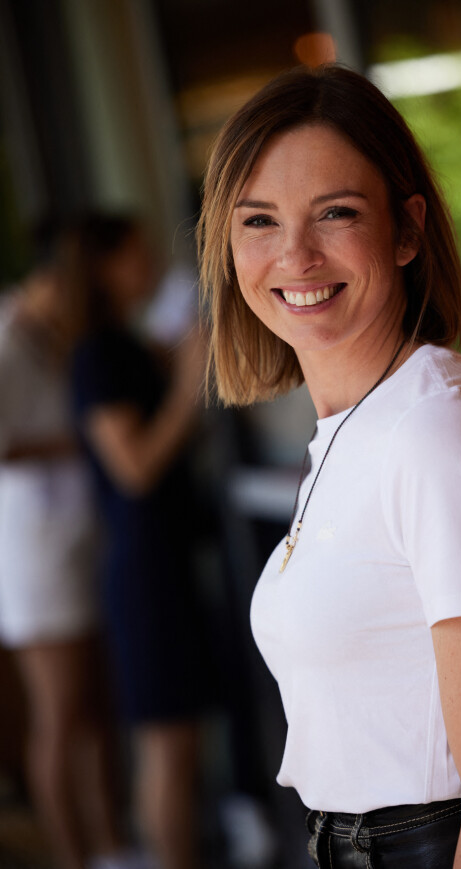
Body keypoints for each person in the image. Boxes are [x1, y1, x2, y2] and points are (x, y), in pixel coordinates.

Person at [196, 64, 461, 868]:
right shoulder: (352, 427)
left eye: (335, 213)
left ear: (406, 231)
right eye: (259, 221)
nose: (294, 255)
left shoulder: (436, 428)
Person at [64, 213, 207, 869]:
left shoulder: (125, 344)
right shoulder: (97, 353)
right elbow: (134, 466)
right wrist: (186, 386)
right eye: (136, 252)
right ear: (105, 266)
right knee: (168, 744)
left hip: (166, 559)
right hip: (144, 570)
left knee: (181, 741)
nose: (149, 263)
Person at [0, 220, 125, 869]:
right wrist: (82, 441)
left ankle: (110, 847)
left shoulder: (48, 335)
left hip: (76, 541)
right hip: (34, 554)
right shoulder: (6, 336)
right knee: (60, 714)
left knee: (95, 708)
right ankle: (75, 856)